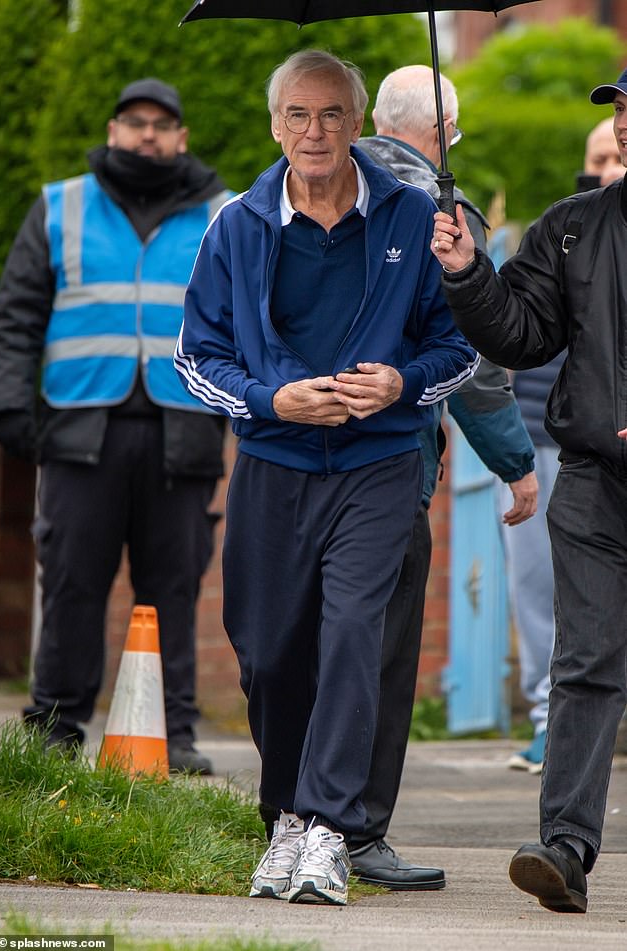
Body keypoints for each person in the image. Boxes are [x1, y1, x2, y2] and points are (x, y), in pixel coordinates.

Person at [175, 49, 479, 906]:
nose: (315, 132)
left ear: (359, 124)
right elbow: (196, 359)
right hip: (273, 463)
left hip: (378, 464)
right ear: (276, 125)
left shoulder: (415, 216)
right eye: (299, 116)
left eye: (333, 115)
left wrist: (403, 383)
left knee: (352, 632)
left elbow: (457, 350)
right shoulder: (236, 224)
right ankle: (286, 817)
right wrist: (273, 398)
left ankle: (327, 827)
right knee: (270, 653)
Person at [334, 64, 538, 888]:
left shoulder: (310, 184)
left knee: (308, 642)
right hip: (393, 462)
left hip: (295, 454)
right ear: (443, 131)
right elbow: (478, 366)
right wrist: (517, 463)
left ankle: (294, 817)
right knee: (380, 656)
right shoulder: (443, 212)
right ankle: (357, 833)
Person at [0, 78, 232, 775]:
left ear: (182, 137)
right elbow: (16, 317)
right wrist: (10, 403)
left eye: (162, 124)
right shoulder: (60, 205)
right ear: (112, 129)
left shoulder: (221, 215)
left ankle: (174, 736)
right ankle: (54, 728)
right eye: (135, 122)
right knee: (70, 580)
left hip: (183, 429)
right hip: (79, 430)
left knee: (175, 586)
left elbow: (243, 320)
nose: (148, 134)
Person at [430, 67, 627, 915]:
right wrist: (471, 272)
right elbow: (520, 330)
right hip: (593, 484)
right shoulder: (575, 230)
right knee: (583, 661)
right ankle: (567, 849)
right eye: (621, 110)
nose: (623, 124)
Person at [504, 115, 624, 775]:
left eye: (616, 155)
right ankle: (550, 721)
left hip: (597, 439)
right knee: (541, 589)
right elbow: (522, 330)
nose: (610, 164)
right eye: (599, 153)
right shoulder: (569, 230)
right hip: (550, 435)